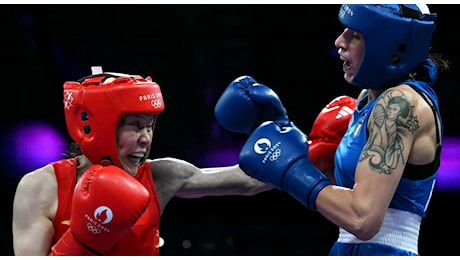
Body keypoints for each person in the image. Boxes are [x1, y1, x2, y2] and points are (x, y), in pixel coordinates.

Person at [216, 4, 449, 256]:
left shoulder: (400, 104)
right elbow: (260, 182)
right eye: (344, 31)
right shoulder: (367, 101)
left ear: (393, 47)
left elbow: (363, 219)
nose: (339, 42)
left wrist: (293, 170)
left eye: (355, 35)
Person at [12, 69, 280, 256]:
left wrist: (291, 141)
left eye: (150, 126)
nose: (146, 138)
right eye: (136, 126)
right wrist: (83, 244)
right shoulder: (41, 187)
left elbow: (249, 181)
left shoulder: (161, 176)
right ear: (99, 126)